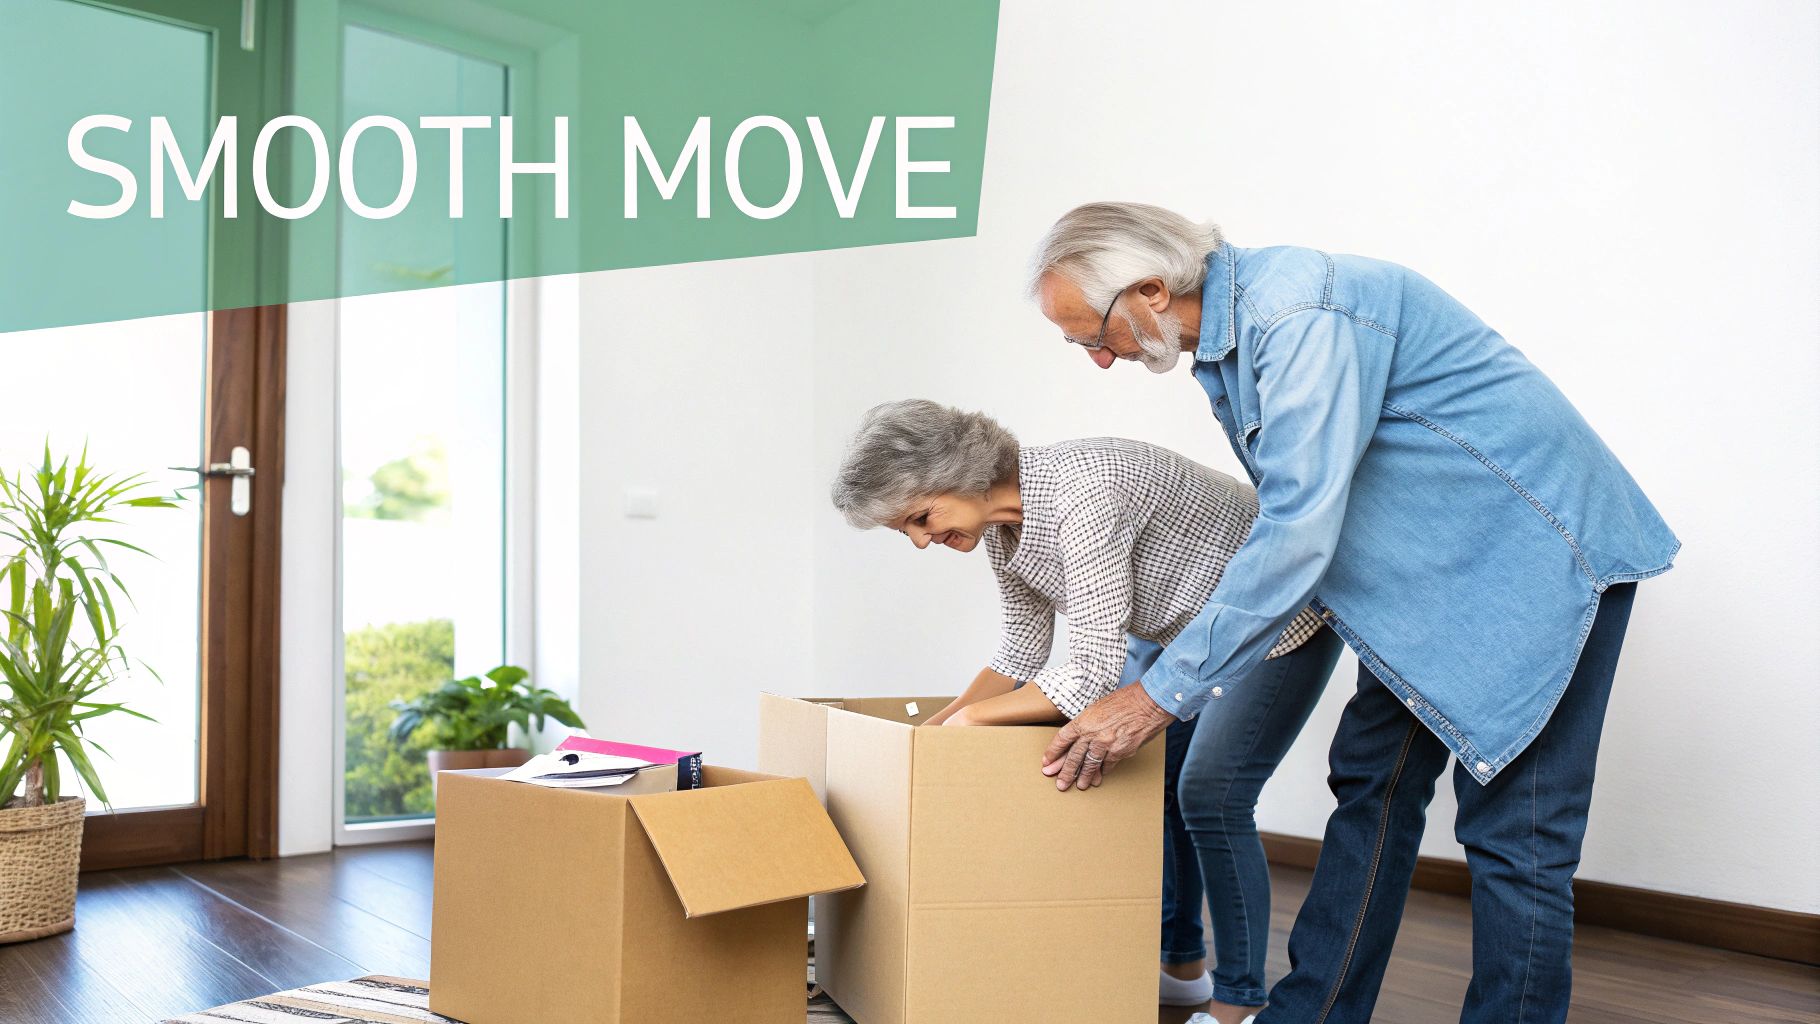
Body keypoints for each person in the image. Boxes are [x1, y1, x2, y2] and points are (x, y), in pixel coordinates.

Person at [1027, 202, 1678, 1024]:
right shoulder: (1230, 342)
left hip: (1541, 565)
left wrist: (1157, 695)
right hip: (1434, 582)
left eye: (1093, 335)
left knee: (1518, 833)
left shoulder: (1299, 314)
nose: (1098, 360)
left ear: (1151, 290)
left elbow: (1298, 529)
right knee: (1372, 782)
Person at [830, 400, 1342, 1021]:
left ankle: (1240, 1001)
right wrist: (936, 730)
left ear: (959, 475)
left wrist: (969, 724)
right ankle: (1182, 966)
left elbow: (1090, 671)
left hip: (1278, 623)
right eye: (902, 530)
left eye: (919, 517)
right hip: (1184, 641)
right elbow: (1020, 651)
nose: (918, 540)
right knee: (1158, 787)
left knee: (1211, 795)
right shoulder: (1005, 533)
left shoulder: (1085, 491)